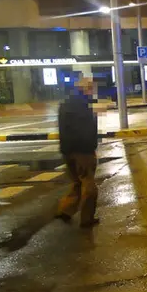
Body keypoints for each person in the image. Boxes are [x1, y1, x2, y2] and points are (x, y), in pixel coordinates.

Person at [56, 77, 99, 227]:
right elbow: (85, 130)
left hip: (67, 150)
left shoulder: (66, 103)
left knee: (76, 182)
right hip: (83, 151)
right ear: (85, 89)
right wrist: (91, 147)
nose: (93, 91)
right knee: (89, 187)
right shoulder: (82, 106)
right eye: (91, 88)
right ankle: (87, 219)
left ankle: (65, 210)